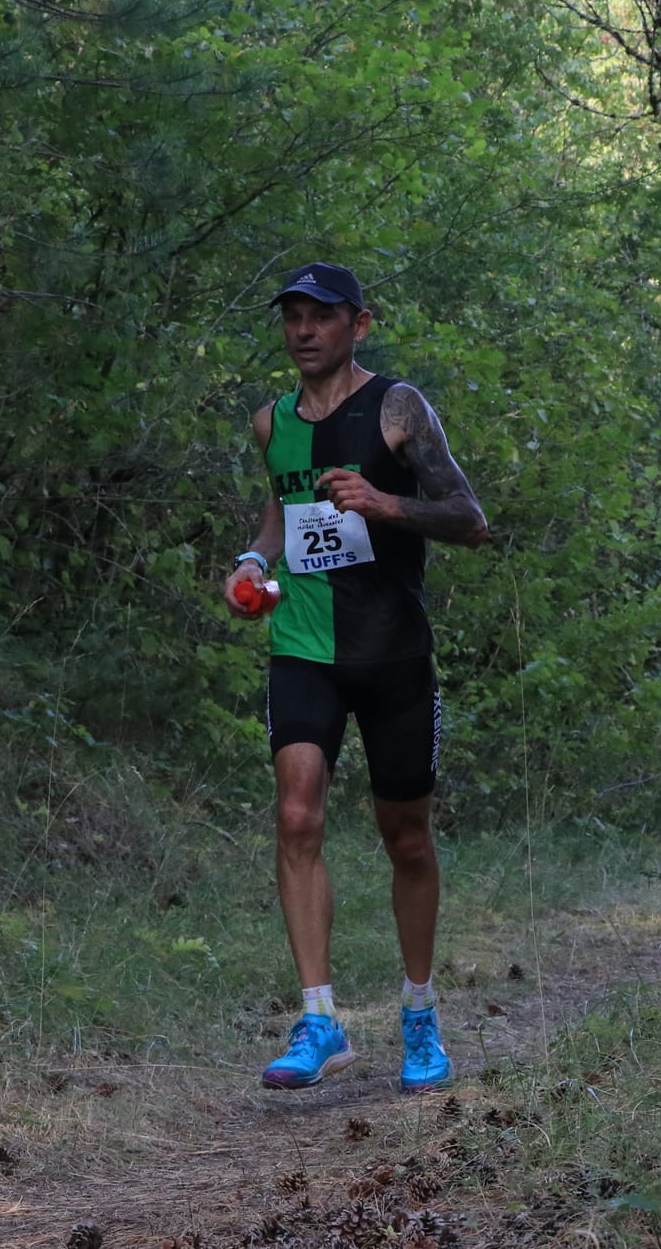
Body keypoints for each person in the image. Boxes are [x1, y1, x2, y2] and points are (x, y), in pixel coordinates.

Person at [224, 262, 488, 1092]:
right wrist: (249, 563)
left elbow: (471, 520)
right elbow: (281, 514)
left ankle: (418, 1014)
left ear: (358, 325)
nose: (304, 331)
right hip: (303, 647)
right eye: (292, 316)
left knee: (405, 837)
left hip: (393, 652)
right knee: (296, 813)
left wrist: (385, 504)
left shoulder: (399, 408)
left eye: (322, 317)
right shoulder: (272, 423)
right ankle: (319, 1018)